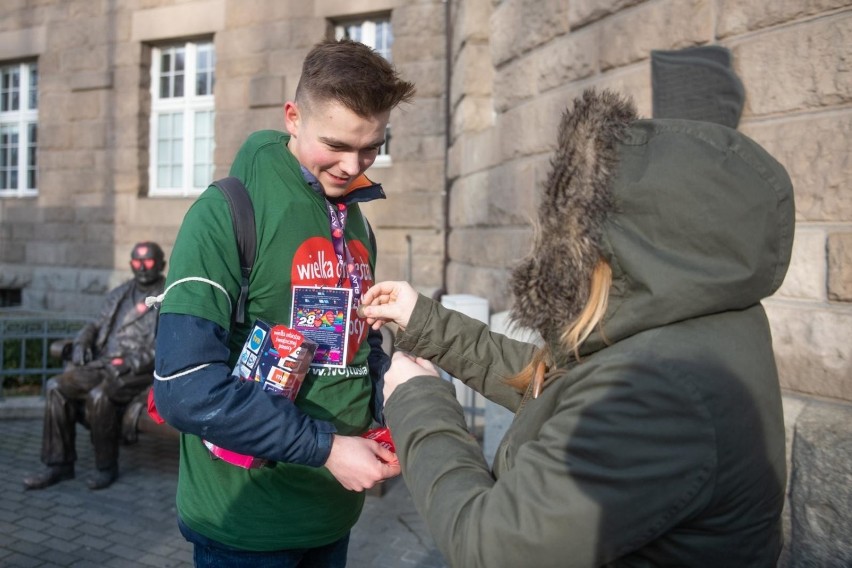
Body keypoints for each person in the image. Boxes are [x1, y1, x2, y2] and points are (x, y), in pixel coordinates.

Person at [360, 89, 793, 567]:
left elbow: (493, 546)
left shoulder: (662, 396)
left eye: (573, 225)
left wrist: (419, 399)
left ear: (633, 240)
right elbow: (558, 387)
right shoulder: (692, 318)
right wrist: (427, 321)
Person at [151, 38, 415, 566]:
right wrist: (329, 448)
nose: (352, 165)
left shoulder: (356, 221)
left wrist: (394, 382)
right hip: (245, 526)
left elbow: (349, 349)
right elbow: (184, 388)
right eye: (336, 144)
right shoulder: (224, 213)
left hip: (332, 515)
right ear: (292, 117)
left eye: (371, 148)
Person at [23, 241, 166, 491]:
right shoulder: (119, 293)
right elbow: (95, 325)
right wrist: (81, 342)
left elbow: (166, 345)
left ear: (162, 264)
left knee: (100, 396)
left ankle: (106, 467)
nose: (142, 267)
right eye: (136, 262)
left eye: (149, 262)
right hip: (104, 363)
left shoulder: (168, 296)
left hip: (137, 371)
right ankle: (59, 464)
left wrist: (131, 362)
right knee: (56, 386)